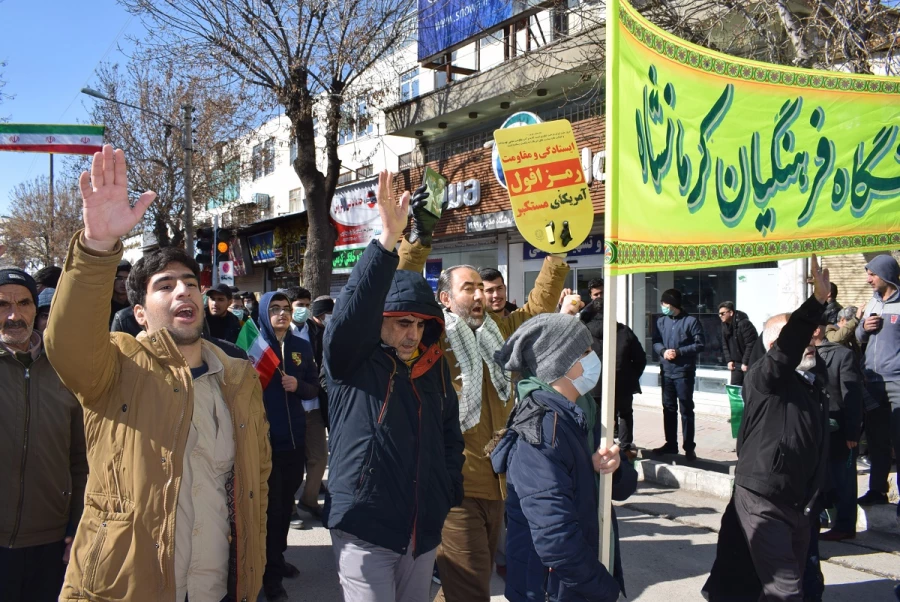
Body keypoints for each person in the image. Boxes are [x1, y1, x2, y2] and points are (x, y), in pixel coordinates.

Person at [44, 145, 271, 602]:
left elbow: (256, 478)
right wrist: (97, 248)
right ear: (140, 314)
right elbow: (67, 342)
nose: (182, 291)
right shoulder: (115, 366)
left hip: (216, 588)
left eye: (190, 283)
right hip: (128, 589)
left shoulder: (237, 376)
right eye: (164, 286)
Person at [396, 180, 571, 602]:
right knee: (473, 586)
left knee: (467, 582)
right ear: (445, 297)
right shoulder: (431, 336)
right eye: (468, 288)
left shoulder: (502, 330)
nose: (479, 295)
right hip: (453, 485)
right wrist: (417, 239)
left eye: (481, 287)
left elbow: (538, 307)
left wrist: (557, 255)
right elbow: (401, 289)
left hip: (499, 481)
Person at [324, 171, 465, 602]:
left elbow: (450, 438)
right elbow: (351, 315)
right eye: (403, 323)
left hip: (421, 533)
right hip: (364, 530)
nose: (412, 335)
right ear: (380, 320)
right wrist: (387, 240)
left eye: (421, 326)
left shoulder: (434, 368)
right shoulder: (353, 363)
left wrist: (443, 494)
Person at [703, 255, 830, 602]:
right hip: (764, 498)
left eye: (811, 339)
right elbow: (789, 346)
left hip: (798, 502)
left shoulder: (811, 383)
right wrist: (817, 302)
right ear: (775, 347)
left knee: (787, 582)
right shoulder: (763, 377)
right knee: (785, 589)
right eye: (802, 339)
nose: (811, 342)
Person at [490, 313, 637, 602]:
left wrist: (616, 467)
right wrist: (607, 592)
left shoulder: (582, 413)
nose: (594, 357)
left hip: (577, 583)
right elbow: (556, 540)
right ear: (561, 362)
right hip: (551, 590)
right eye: (585, 351)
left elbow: (622, 489)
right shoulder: (541, 430)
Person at [0, 269, 87, 602]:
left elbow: (82, 459)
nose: (14, 315)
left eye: (24, 303)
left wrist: (78, 527)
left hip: (51, 544)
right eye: (2, 305)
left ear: (35, 310)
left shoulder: (66, 369)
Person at [257, 291, 320, 601]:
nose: (282, 314)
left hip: (294, 440)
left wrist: (299, 386)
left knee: (284, 507)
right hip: (264, 443)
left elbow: (314, 387)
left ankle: (278, 558)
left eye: (285, 308)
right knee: (271, 510)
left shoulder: (301, 346)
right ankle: (268, 576)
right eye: (274, 309)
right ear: (263, 313)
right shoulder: (253, 348)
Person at [855, 254, 900, 511]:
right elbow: (859, 336)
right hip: (872, 382)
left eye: (872, 274)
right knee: (876, 440)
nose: (868, 279)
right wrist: (865, 327)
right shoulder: (873, 301)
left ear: (886, 275)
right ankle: (877, 491)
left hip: (896, 382)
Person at [813, 322, 863, 541]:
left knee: (843, 478)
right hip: (813, 429)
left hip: (839, 430)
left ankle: (844, 525)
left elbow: (852, 397)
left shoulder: (842, 355)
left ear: (817, 330)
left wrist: (852, 433)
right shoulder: (800, 355)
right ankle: (820, 517)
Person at [580, 297, 647, 457]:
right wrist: (630, 376)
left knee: (594, 417)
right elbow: (640, 359)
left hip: (592, 385)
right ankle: (625, 448)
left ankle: (597, 448)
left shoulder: (583, 333)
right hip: (621, 383)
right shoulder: (624, 331)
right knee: (624, 414)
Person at [286, 286, 329, 520]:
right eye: (299, 305)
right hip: (290, 407)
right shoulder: (279, 333)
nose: (303, 309)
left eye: (306, 305)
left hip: (314, 405)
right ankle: (289, 508)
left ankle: (309, 500)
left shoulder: (317, 330)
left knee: (319, 457)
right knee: (291, 462)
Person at [652, 288, 704, 460]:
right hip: (666, 371)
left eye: (665, 303)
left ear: (673, 304)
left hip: (684, 372)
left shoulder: (691, 321)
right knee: (668, 408)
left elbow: (699, 344)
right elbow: (656, 341)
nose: (662, 306)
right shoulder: (661, 321)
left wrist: (679, 352)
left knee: (686, 409)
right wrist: (663, 351)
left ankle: (689, 447)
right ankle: (671, 444)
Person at [718, 301, 759, 386]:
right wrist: (729, 360)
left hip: (748, 363)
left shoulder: (744, 324)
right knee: (734, 388)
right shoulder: (724, 325)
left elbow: (751, 343)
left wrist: (745, 362)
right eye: (719, 314)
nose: (720, 316)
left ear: (731, 312)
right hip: (735, 364)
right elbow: (725, 344)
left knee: (748, 388)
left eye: (722, 313)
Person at [109, 259, 131, 326]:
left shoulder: (134, 305)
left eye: (127, 278)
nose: (124, 282)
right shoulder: (104, 306)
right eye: (119, 278)